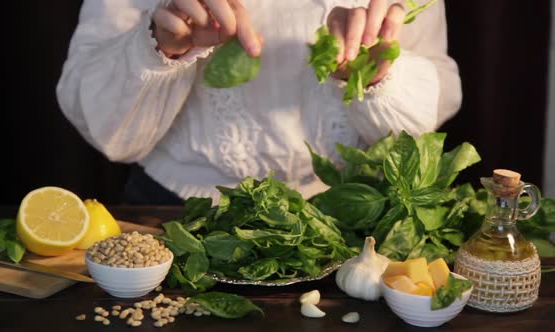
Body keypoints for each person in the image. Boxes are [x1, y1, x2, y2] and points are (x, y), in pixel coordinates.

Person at [56, 0, 461, 205]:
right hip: (171, 214)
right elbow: (108, 132)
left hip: (344, 218)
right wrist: (160, 47)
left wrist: (373, 77)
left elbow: (421, 128)